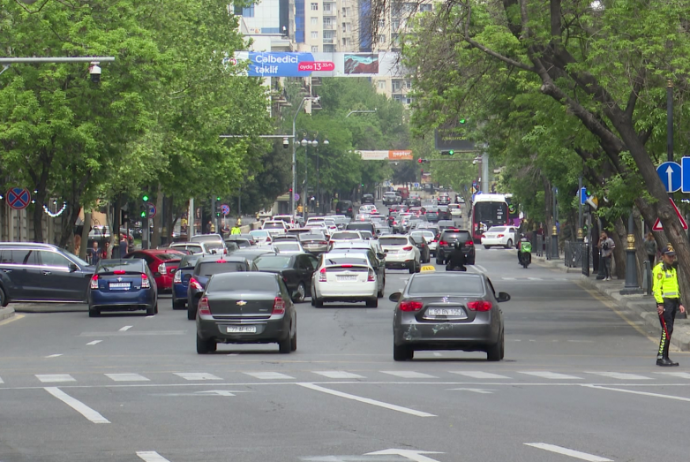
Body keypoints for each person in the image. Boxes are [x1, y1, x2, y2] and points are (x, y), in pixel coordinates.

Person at [652, 244, 686, 366]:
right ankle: (661, 357)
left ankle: (665, 356)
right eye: (669, 256)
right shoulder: (659, 269)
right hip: (665, 303)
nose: (671, 258)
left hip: (672, 303)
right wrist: (660, 304)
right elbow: (656, 288)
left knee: (669, 330)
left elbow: (675, 288)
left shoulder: (672, 269)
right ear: (663, 256)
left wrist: (679, 303)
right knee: (667, 330)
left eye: (673, 256)